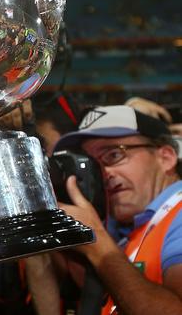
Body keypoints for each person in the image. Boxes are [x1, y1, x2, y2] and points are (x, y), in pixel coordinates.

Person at [49, 105, 182, 314]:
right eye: (93, 164)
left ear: (165, 158)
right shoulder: (133, 224)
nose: (103, 174)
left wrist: (97, 243)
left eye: (113, 155)